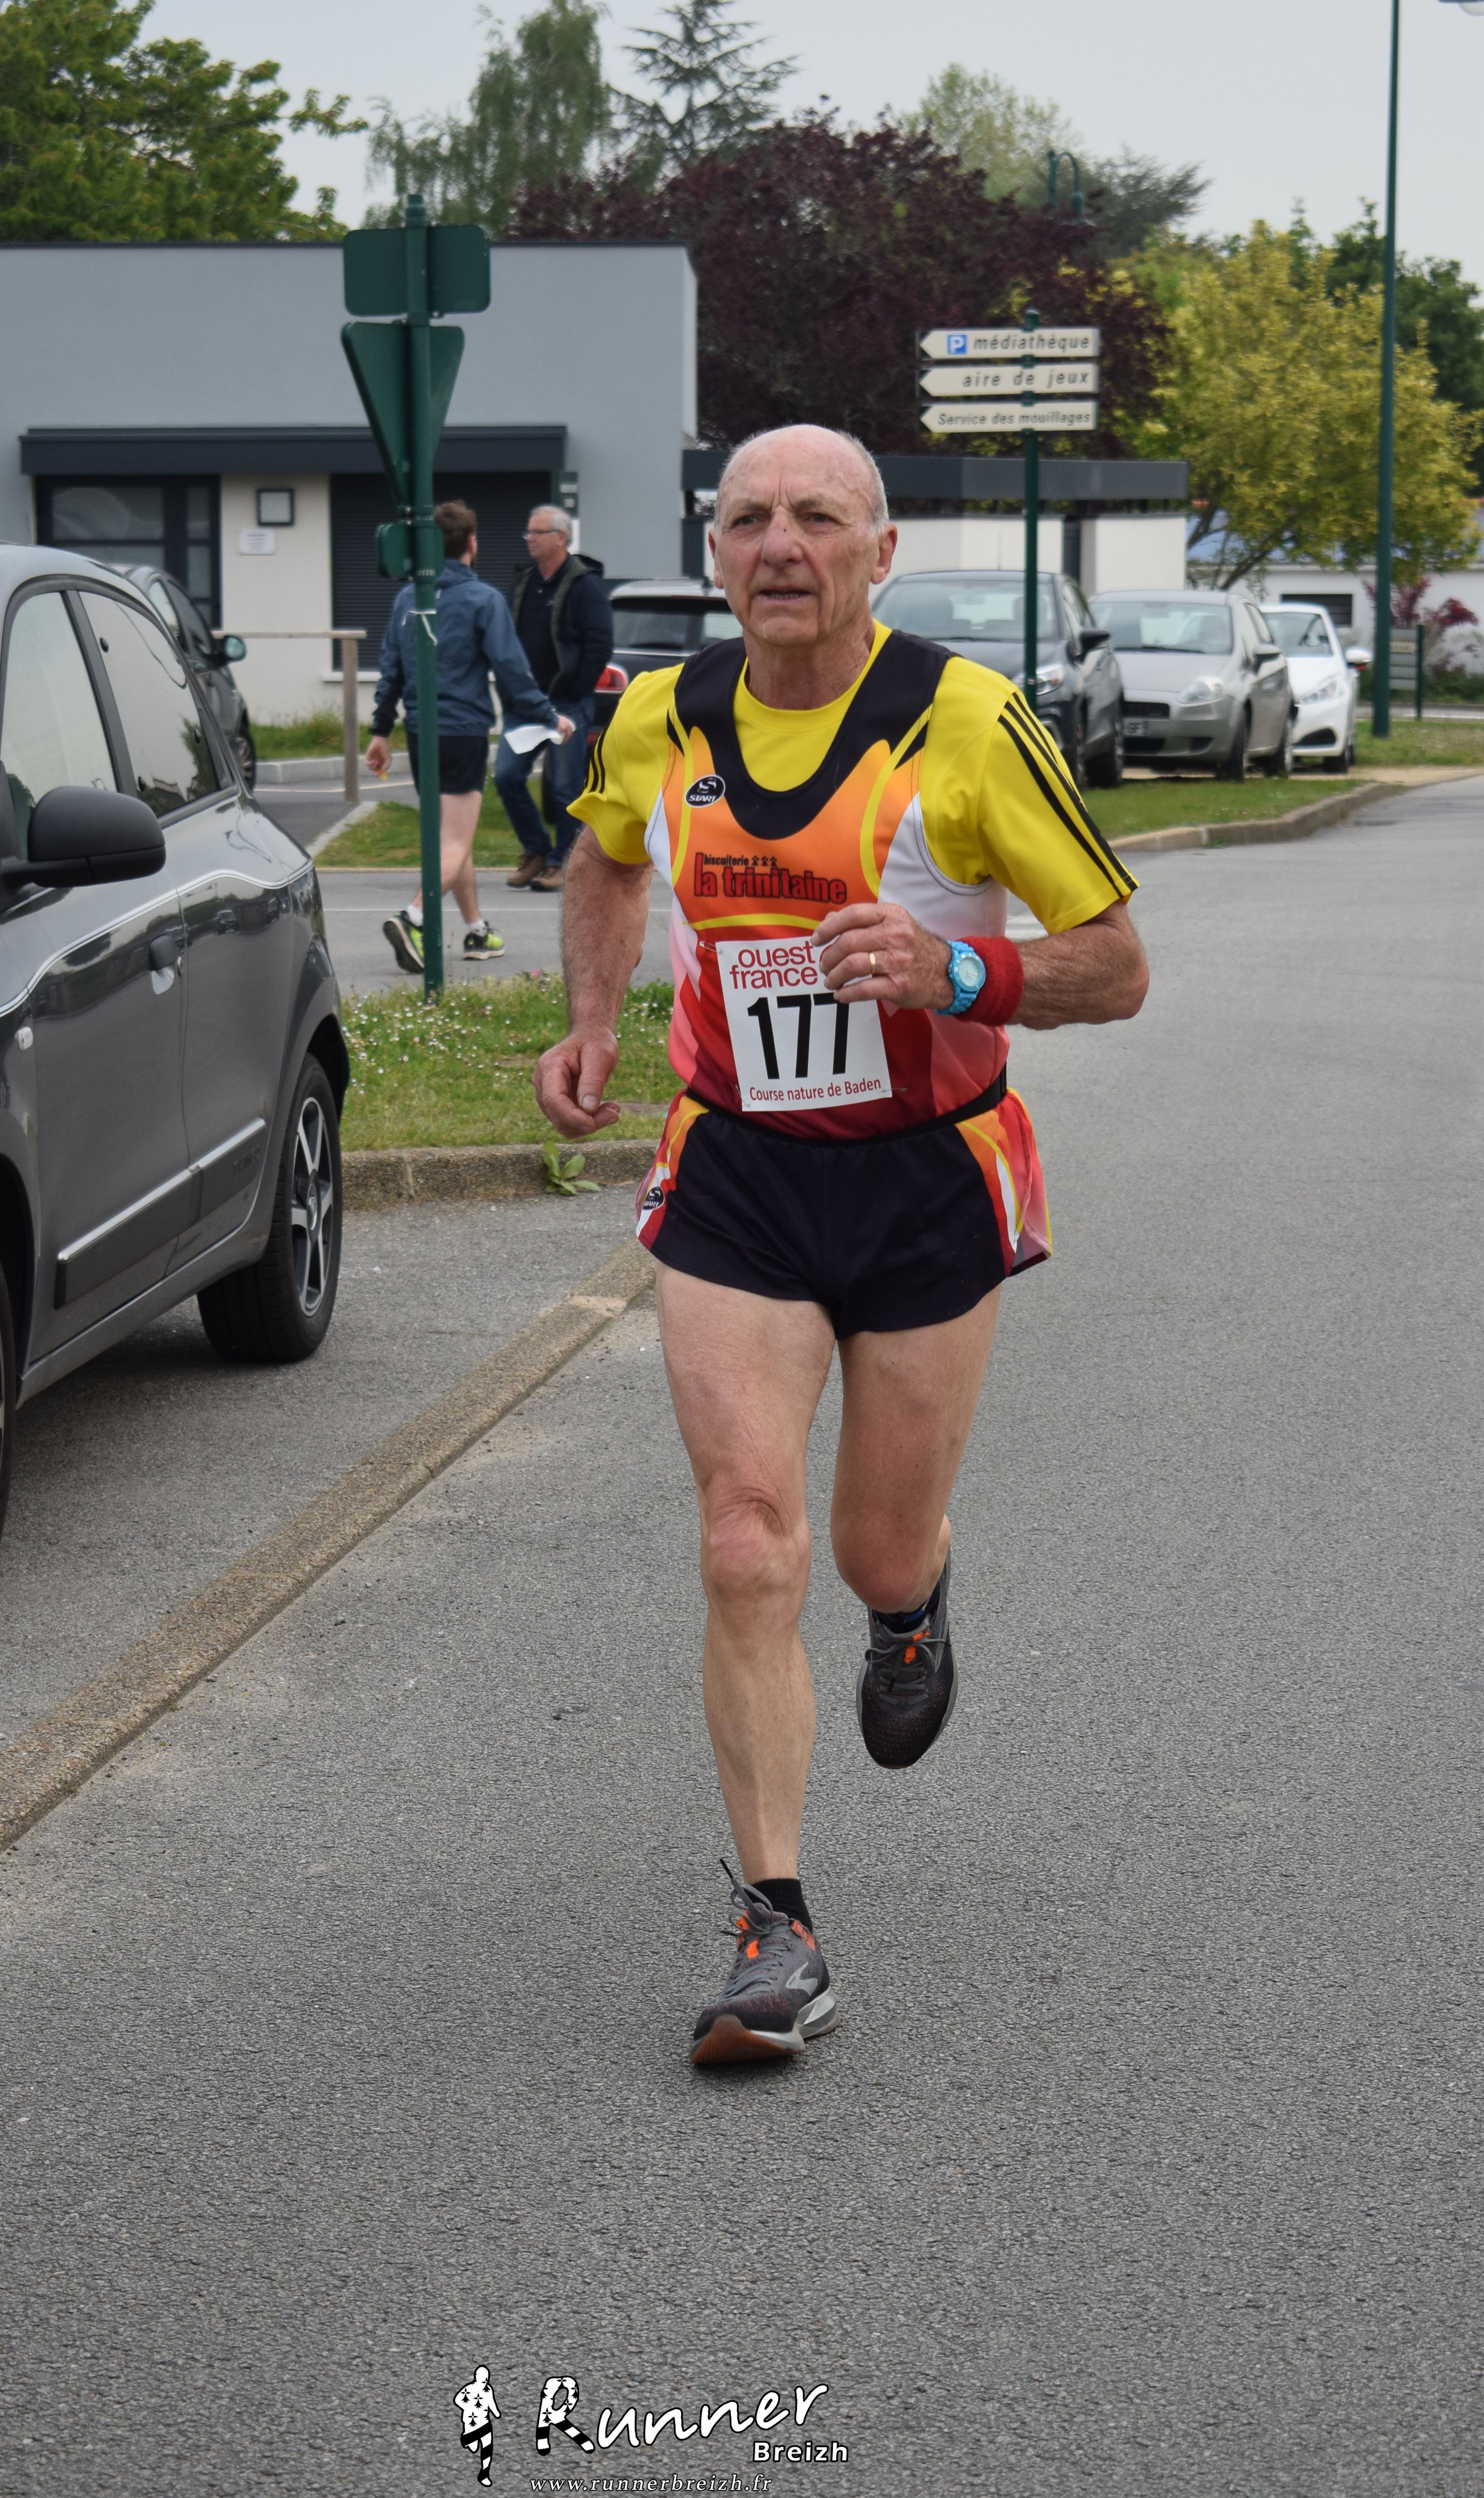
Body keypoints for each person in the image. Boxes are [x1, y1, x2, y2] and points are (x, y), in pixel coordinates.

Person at [537, 424, 1149, 2066]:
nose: (780, 545)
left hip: (925, 1175)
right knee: (747, 1538)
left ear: (881, 552)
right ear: (714, 553)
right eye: (749, 519)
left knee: (873, 1546)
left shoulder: (968, 724)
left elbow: (1115, 961)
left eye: (819, 517)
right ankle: (775, 1924)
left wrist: (961, 975)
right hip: (738, 1169)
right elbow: (603, 860)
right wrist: (590, 1018)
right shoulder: (660, 718)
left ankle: (913, 1597)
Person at [367, 500, 574, 975]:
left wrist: (379, 731)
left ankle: (477, 930)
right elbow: (512, 669)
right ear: (472, 544)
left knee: (450, 840)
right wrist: (549, 716)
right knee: (456, 841)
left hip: (419, 732)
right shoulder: (484, 600)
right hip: (463, 732)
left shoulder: (407, 599)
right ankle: (412, 918)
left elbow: (390, 671)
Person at [496, 505, 614, 894]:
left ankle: (561, 861)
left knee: (566, 788)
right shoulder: (524, 582)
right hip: (526, 705)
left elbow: (600, 644)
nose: (529, 539)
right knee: (507, 777)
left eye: (538, 532)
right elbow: (507, 638)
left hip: (567, 703)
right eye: (528, 533)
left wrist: (576, 688)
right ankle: (536, 851)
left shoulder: (585, 586)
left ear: (561, 538)